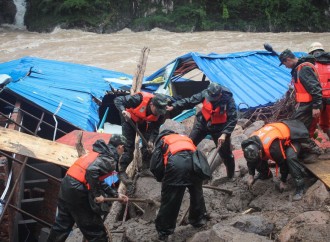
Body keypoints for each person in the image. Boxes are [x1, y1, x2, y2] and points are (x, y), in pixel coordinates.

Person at [47, 135, 128, 242]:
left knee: (61, 225)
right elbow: (91, 171)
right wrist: (97, 194)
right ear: (120, 147)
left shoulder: (96, 153)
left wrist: (116, 194)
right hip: (77, 190)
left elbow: (96, 179)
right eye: (124, 149)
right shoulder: (109, 159)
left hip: (67, 184)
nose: (123, 152)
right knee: (96, 232)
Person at [166, 82, 237, 179]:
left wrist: (225, 134)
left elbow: (233, 119)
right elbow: (190, 101)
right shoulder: (206, 93)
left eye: (213, 98)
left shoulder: (228, 100)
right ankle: (184, 171)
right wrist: (174, 106)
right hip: (203, 123)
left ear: (219, 95)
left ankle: (230, 176)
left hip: (220, 128)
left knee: (226, 154)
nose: (210, 100)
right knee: (189, 145)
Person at [150, 129, 208, 241]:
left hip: (177, 166)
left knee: (171, 199)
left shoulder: (163, 140)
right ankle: (199, 220)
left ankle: (164, 231)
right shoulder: (185, 138)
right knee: (197, 193)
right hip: (196, 164)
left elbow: (155, 166)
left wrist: (162, 179)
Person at [241, 120, 310, 201]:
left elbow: (283, 164)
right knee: (256, 160)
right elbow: (250, 161)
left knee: (290, 158)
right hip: (276, 135)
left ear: (260, 151)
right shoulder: (249, 145)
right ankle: (266, 174)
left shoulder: (272, 149)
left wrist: (283, 181)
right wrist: (251, 175)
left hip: (293, 137)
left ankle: (300, 187)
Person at [114, 92, 168, 190]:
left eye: (161, 111)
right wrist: (123, 111)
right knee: (128, 146)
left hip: (143, 121)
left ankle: (145, 168)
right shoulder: (137, 99)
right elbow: (118, 100)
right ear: (152, 104)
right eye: (157, 110)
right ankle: (121, 171)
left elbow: (155, 129)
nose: (159, 113)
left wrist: (151, 140)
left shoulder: (160, 113)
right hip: (129, 117)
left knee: (148, 147)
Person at [278, 49, 323, 156]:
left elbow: (315, 88)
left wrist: (316, 106)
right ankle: (306, 150)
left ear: (288, 60)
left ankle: (312, 150)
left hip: (310, 104)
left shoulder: (303, 69)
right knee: (299, 126)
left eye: (285, 64)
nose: (285, 67)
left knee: (298, 127)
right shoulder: (299, 68)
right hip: (305, 104)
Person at [307, 42, 330, 139]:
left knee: (311, 124)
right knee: (327, 124)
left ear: (311, 52)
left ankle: (309, 145)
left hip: (317, 99)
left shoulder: (310, 64)